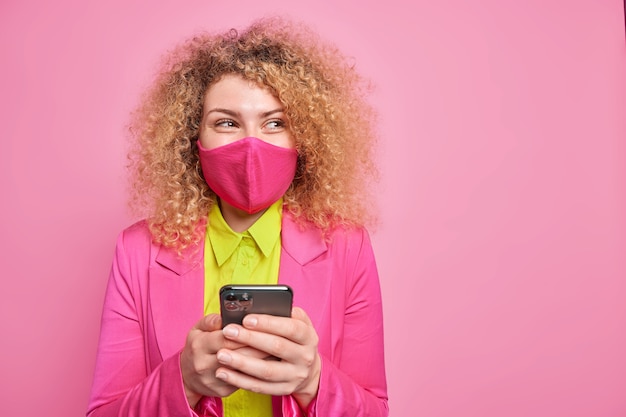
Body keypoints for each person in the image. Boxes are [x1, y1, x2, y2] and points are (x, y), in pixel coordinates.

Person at [87, 16, 388, 417]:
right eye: (227, 122)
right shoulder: (136, 251)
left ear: (305, 140)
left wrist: (313, 381)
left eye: (275, 123)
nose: (251, 145)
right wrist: (184, 381)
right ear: (193, 140)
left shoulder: (349, 248)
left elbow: (375, 410)